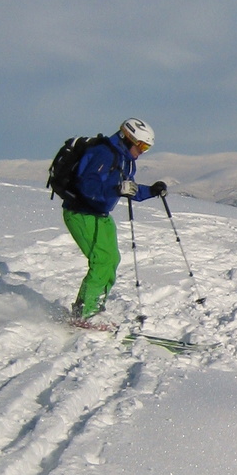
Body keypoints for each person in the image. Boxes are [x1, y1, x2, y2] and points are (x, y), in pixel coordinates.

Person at [62, 118, 168, 325]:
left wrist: (151, 191)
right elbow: (87, 186)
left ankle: (92, 307)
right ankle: (85, 314)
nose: (142, 151)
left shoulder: (125, 160)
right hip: (81, 213)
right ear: (128, 138)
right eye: (142, 146)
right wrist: (117, 189)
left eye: (146, 148)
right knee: (101, 261)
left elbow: (129, 188)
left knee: (111, 260)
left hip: (100, 215)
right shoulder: (104, 153)